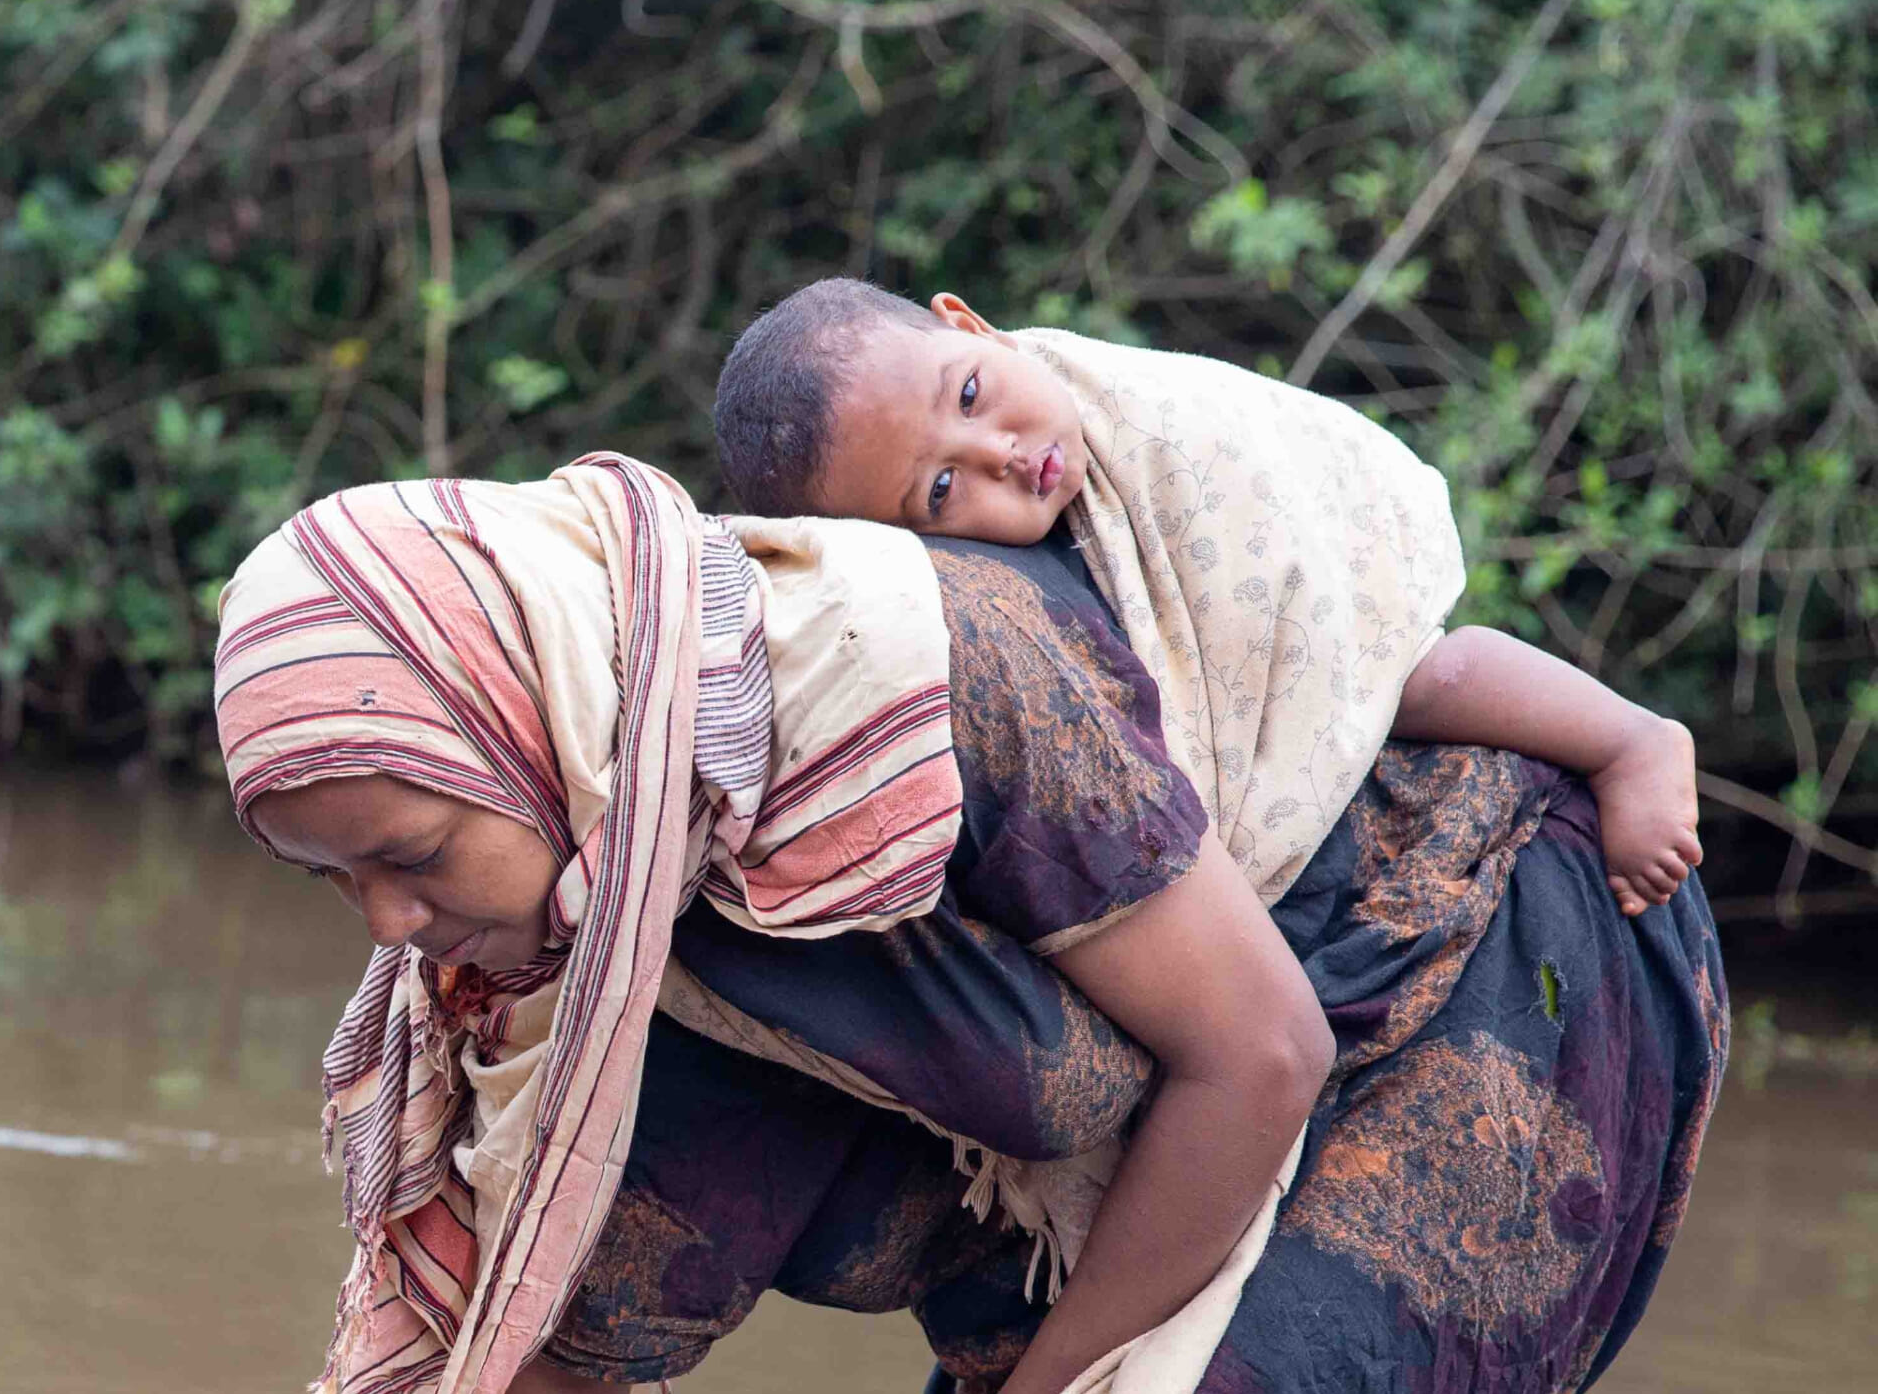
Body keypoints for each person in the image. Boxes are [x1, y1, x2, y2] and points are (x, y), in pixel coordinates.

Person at [216, 456, 1725, 1394]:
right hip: (1110, 1153)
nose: (394, 928)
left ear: (541, 731)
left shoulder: (928, 678)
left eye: (410, 855)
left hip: (1455, 969)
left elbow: (1257, 1052)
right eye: (332, 883)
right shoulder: (569, 991)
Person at [711, 278, 1702, 921]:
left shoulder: (1142, 412)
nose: (1005, 455)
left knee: (1426, 672)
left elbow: (1247, 487)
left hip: (1309, 575)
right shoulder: (982, 593)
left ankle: (1632, 737)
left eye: (969, 395)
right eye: (940, 490)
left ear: (968, 324)